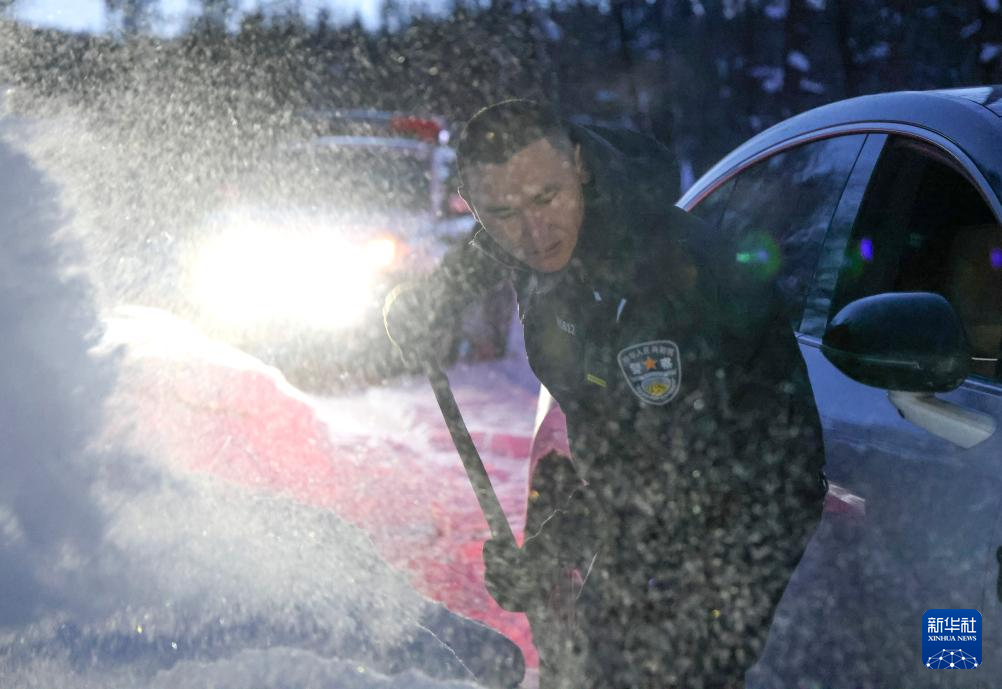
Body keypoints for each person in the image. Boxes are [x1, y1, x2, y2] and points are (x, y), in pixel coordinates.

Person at [384, 99, 827, 689]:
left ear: (579, 165)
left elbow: (651, 469)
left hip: (744, 504)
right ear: (472, 201)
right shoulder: (541, 226)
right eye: (503, 212)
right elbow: (485, 250)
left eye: (546, 199)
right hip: (648, 491)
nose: (533, 233)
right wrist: (433, 299)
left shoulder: (661, 279)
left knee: (657, 672)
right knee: (594, 664)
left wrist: (548, 551)